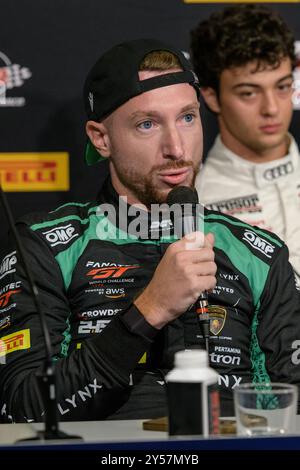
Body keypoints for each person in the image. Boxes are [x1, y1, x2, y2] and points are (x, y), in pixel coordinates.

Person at [0, 38, 300, 423]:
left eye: (188, 118)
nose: (177, 147)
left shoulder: (257, 253)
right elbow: (23, 410)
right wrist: (151, 309)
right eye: (147, 124)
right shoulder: (45, 246)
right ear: (101, 138)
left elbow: (292, 406)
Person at [191, 5, 300, 280]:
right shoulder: (196, 205)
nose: (272, 108)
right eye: (249, 93)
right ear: (212, 97)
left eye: (283, 86)